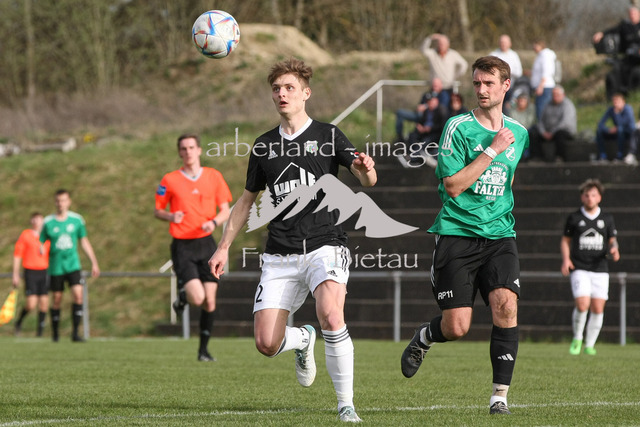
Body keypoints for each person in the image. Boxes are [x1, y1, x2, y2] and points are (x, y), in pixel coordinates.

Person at [208, 58, 377, 422]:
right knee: (266, 344)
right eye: (276, 89)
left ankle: (346, 405)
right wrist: (223, 247)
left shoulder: (328, 135)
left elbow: (367, 180)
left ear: (305, 94)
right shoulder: (264, 145)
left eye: (289, 88)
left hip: (325, 243)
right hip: (280, 253)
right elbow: (245, 202)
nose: (282, 94)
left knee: (331, 315)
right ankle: (302, 339)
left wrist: (366, 169)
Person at [400, 56, 528, 416]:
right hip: (457, 234)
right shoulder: (457, 127)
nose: (481, 90)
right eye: (477, 83)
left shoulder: (519, 133)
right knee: (457, 327)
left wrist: (496, 207)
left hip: (500, 234)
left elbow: (507, 181)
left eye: (489, 83)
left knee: (507, 305)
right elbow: (453, 186)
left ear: (506, 86)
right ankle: (425, 336)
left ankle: (499, 397)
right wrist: (491, 150)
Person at [155, 133, 232, 362]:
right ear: (179, 152)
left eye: (191, 147)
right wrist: (171, 216)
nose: (188, 152)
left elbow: (225, 210)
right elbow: (158, 210)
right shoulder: (169, 180)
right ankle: (183, 296)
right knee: (197, 299)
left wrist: (214, 222)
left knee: (210, 300)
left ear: (199, 150)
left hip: (207, 243)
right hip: (183, 246)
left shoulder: (214, 176)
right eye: (183, 148)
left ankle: (203, 351)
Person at [561, 179, 620, 356]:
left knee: (598, 308)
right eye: (587, 195)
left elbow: (612, 240)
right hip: (579, 267)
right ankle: (577, 338)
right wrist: (566, 260)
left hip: (600, 268)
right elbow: (565, 240)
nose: (590, 198)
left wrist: (615, 249)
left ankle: (590, 345)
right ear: (582, 197)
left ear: (599, 197)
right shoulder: (574, 218)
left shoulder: (607, 218)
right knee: (582, 304)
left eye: (593, 195)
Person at [40, 189, 100, 342]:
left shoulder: (77, 220)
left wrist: (94, 262)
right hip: (56, 266)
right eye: (58, 200)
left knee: (78, 296)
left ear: (69, 202)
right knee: (57, 299)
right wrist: (41, 250)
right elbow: (41, 242)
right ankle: (55, 334)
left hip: (73, 265)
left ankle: (75, 333)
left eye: (63, 200)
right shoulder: (48, 222)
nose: (60, 203)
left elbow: (84, 241)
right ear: (55, 202)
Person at [12, 212, 50, 337]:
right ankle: (19, 322)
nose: (36, 222)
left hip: (44, 271)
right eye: (34, 219)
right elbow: (18, 255)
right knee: (31, 304)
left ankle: (40, 332)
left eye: (39, 219)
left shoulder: (47, 236)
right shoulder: (26, 235)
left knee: (44, 303)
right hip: (31, 272)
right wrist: (15, 274)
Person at [593, 6, 640, 97]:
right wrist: (601, 33)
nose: (632, 16)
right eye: (631, 14)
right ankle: (621, 93)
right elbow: (613, 30)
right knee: (617, 71)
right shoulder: (625, 26)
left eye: (634, 14)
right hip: (629, 57)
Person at [528, 86, 577, 162]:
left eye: (557, 94)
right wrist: (543, 132)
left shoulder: (568, 105)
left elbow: (565, 122)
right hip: (548, 132)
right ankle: (537, 158)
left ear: (563, 95)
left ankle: (559, 158)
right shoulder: (547, 104)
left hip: (563, 131)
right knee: (533, 133)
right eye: (553, 94)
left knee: (560, 135)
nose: (555, 96)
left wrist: (552, 132)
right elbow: (541, 120)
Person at [395, 78, 449, 142]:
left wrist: (427, 106)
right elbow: (420, 106)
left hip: (433, 123)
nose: (434, 87)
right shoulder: (427, 94)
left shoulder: (444, 95)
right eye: (433, 85)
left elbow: (442, 109)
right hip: (422, 116)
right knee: (400, 113)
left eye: (436, 85)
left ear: (441, 85)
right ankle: (400, 138)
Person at [595, 92, 635, 162]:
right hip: (617, 132)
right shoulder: (611, 109)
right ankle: (603, 156)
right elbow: (601, 123)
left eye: (618, 102)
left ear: (623, 101)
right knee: (599, 131)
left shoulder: (628, 109)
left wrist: (617, 114)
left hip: (628, 133)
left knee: (620, 129)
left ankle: (620, 155)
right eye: (614, 102)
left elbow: (622, 123)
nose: (615, 104)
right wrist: (608, 130)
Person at [489, 34, 523, 112]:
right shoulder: (493, 54)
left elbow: (519, 72)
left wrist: (506, 72)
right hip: (496, 87)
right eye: (502, 42)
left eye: (505, 42)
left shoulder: (514, 55)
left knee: (507, 109)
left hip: (510, 88)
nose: (503, 44)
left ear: (510, 44)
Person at [530, 39, 557, 119]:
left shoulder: (545, 55)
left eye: (535, 45)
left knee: (542, 110)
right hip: (541, 87)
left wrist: (541, 86)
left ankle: (544, 126)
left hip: (545, 87)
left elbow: (546, 71)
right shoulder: (540, 56)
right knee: (539, 109)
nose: (534, 47)